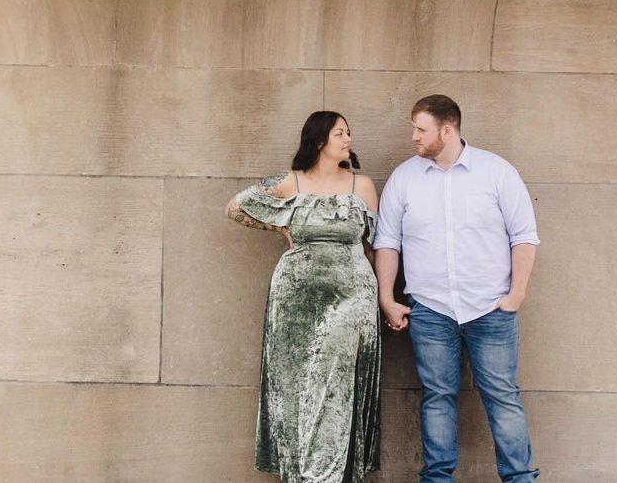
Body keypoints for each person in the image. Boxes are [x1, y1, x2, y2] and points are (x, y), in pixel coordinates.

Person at [373, 95, 540, 483]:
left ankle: (520, 479)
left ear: (446, 130)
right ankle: (437, 479)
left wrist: (516, 296)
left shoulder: (496, 172)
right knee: (437, 398)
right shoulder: (405, 177)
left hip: (490, 309)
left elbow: (524, 236)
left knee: (502, 398)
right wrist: (388, 299)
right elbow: (387, 242)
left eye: (420, 128)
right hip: (429, 311)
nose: (414, 136)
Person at [225, 111, 383, 483]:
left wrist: (377, 297)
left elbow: (375, 245)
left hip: (350, 295)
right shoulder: (290, 182)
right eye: (340, 133)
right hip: (295, 300)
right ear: (318, 141)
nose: (348, 140)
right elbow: (235, 207)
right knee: (296, 388)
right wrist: (282, 225)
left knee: (335, 384)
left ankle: (324, 476)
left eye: (349, 133)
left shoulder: (362, 186)